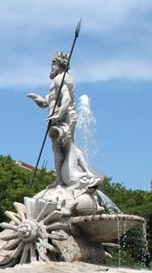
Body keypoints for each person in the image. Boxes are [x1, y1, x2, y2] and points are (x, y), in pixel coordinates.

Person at [27, 52, 102, 189]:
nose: (51, 66)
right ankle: (85, 173)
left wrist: (58, 115)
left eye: (53, 63)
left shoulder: (60, 79)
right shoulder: (65, 78)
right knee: (68, 146)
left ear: (60, 64)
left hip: (62, 117)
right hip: (64, 116)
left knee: (59, 148)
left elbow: (66, 99)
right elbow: (51, 101)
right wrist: (39, 100)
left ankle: (61, 181)